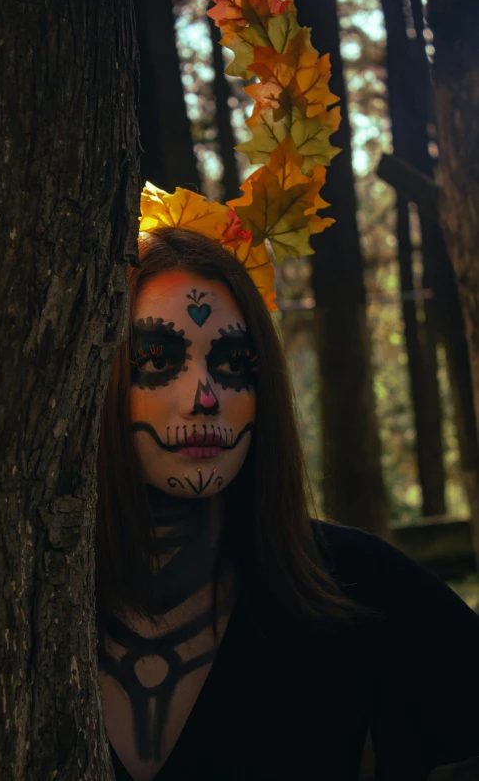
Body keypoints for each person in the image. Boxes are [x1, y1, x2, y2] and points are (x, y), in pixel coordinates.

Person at [95, 226, 479, 781]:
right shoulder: (16, 604)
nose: (204, 398)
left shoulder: (355, 582)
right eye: (156, 358)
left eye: (232, 362)